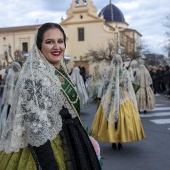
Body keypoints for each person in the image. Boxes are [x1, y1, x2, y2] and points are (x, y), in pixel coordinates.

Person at [0, 23, 101, 170]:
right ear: (39, 46)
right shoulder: (33, 78)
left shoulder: (59, 72)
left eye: (60, 41)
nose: (57, 46)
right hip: (48, 148)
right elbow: (36, 130)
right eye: (49, 42)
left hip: (72, 143)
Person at [91, 54, 145, 150]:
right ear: (120, 61)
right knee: (122, 117)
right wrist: (131, 98)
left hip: (110, 95)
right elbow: (127, 86)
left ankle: (113, 140)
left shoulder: (108, 71)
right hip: (123, 97)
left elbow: (104, 86)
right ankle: (120, 140)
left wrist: (100, 97)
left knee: (109, 116)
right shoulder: (124, 71)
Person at [0, 61, 22, 137]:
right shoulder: (19, 76)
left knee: (7, 116)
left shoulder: (9, 75)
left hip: (7, 99)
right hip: (15, 101)